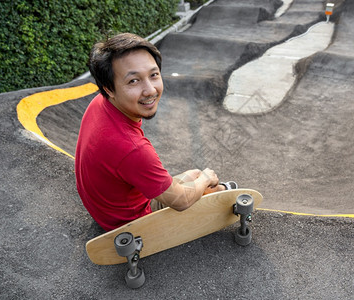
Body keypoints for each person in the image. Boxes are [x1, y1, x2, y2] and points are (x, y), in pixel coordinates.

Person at [75, 32, 236, 231]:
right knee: (204, 184)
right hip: (128, 221)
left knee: (194, 174)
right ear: (109, 88)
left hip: (107, 207)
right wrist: (207, 179)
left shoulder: (100, 103)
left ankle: (218, 188)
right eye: (133, 81)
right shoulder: (132, 149)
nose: (150, 90)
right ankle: (224, 192)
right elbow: (181, 201)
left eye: (153, 75)